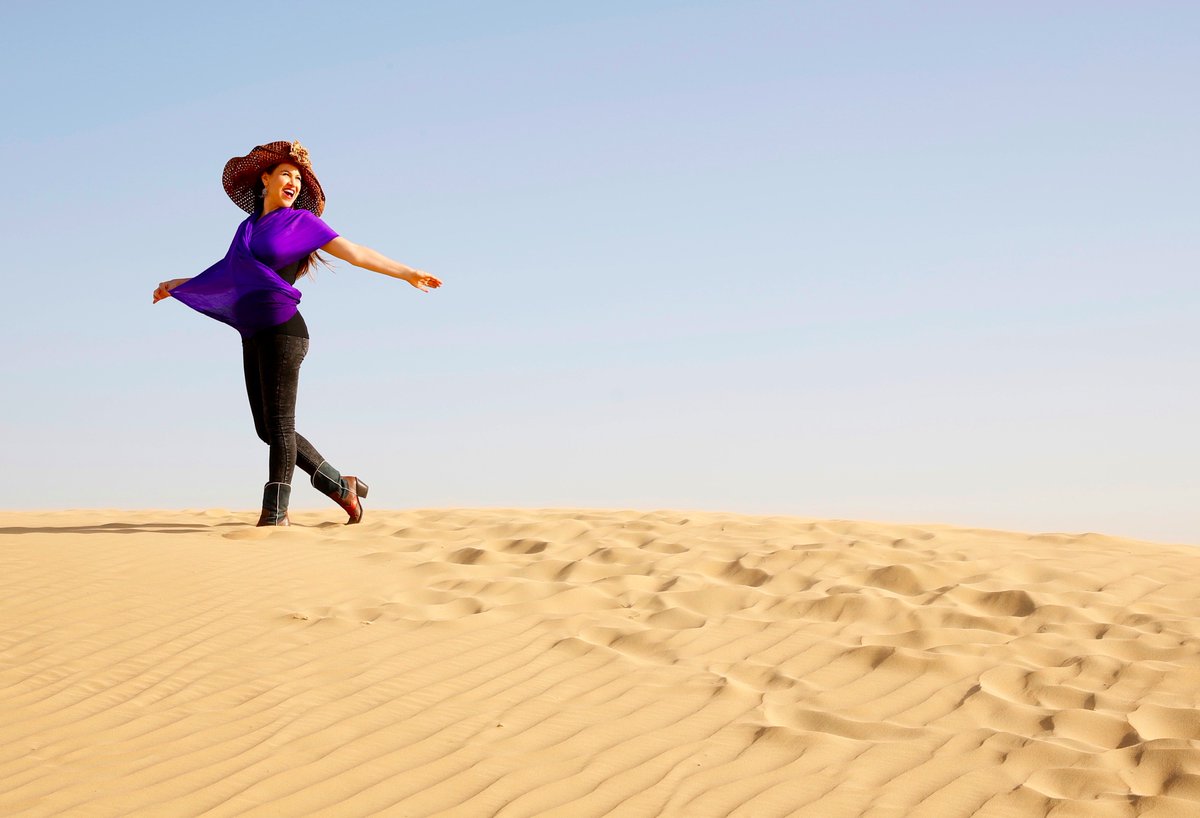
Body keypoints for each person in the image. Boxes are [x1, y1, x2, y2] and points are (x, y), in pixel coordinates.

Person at [153, 140, 441, 527]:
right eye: (285, 174)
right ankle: (341, 485)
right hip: (252, 332)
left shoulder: (302, 224)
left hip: (284, 331)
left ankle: (275, 516)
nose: (293, 182)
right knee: (265, 429)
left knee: (281, 426)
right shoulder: (247, 228)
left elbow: (355, 252)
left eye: (298, 178)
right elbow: (231, 275)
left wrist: (407, 272)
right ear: (265, 179)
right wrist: (179, 283)